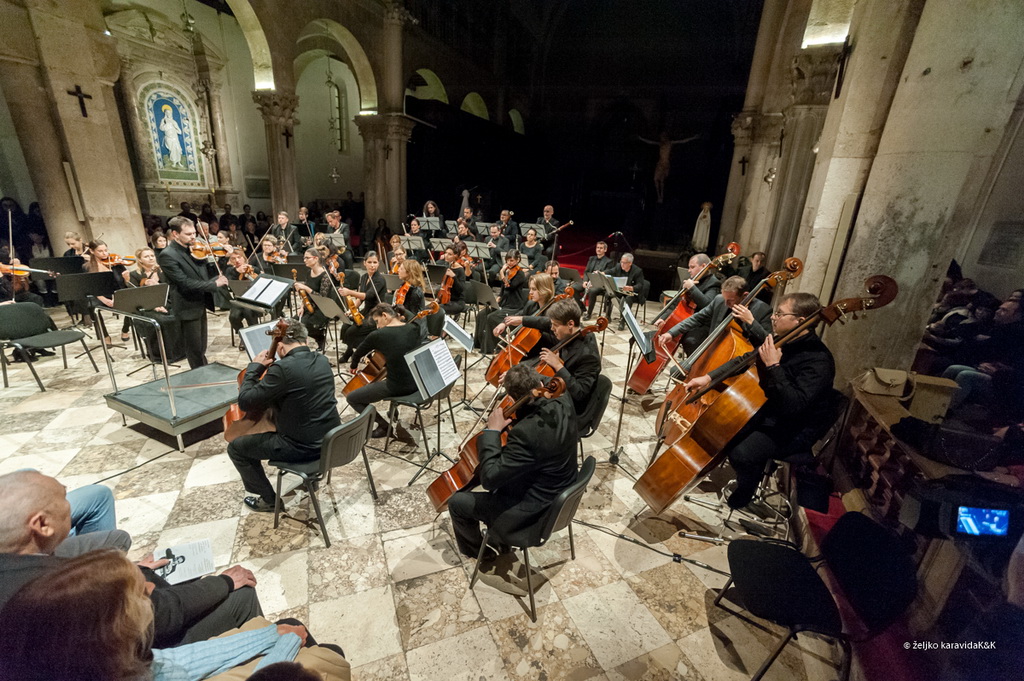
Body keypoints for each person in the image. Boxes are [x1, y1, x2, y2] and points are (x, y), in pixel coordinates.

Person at [0, 471, 262, 648]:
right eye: (63, 499)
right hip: (138, 656)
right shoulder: (68, 589)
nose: (69, 503)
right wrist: (225, 581)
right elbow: (165, 614)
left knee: (143, 566)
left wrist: (133, 573)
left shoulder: (17, 568)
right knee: (242, 595)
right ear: (42, 524)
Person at [0, 549, 347, 681]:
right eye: (140, 591)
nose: (152, 589)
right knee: (331, 656)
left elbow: (172, 663)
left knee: (293, 629)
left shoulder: (108, 661)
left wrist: (270, 636)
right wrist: (283, 651)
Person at [681, 292, 836, 509]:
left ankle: (748, 488)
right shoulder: (784, 340)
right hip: (771, 411)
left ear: (800, 321)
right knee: (725, 426)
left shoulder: (819, 361)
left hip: (795, 428)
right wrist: (707, 378)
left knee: (741, 452)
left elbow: (794, 407)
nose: (773, 318)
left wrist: (774, 367)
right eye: (774, 313)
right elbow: (745, 359)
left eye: (780, 314)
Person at [446, 364, 579, 561]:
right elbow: (545, 382)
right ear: (540, 384)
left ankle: (478, 552)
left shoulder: (526, 433)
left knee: (457, 502)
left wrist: (492, 432)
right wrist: (522, 376)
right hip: (560, 491)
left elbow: (489, 479)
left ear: (512, 396)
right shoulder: (563, 399)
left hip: (534, 512)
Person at [227, 318, 340, 512]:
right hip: (332, 439)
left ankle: (269, 500)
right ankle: (311, 480)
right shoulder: (322, 360)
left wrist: (255, 368)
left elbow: (245, 401)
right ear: (304, 340)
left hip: (303, 448)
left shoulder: (283, 369)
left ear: (280, 347)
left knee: (236, 448)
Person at [504, 298, 602, 415]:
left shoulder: (588, 357)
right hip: (555, 387)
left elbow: (579, 393)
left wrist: (558, 365)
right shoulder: (573, 330)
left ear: (570, 324)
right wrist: (522, 320)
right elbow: (544, 322)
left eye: (555, 325)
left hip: (568, 406)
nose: (551, 328)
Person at [656, 275, 772, 373]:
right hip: (710, 353)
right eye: (724, 298)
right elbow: (697, 318)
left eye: (730, 300)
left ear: (745, 296)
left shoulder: (762, 310)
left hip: (736, 365)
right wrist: (671, 333)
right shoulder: (719, 300)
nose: (726, 304)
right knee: (676, 371)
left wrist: (751, 322)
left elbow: (768, 342)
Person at [158, 217, 228, 368]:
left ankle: (204, 371)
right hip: (186, 307)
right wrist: (214, 284)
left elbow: (205, 273)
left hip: (199, 303)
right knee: (194, 349)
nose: (193, 237)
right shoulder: (167, 255)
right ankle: (200, 377)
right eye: (188, 234)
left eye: (194, 233)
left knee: (201, 347)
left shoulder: (194, 249)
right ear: (175, 234)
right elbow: (184, 283)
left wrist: (222, 258)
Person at [346, 303, 423, 438]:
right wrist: (400, 309)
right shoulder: (414, 328)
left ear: (385, 316)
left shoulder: (379, 335)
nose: (377, 326)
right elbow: (412, 316)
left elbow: (358, 353)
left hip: (398, 386)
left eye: (377, 321)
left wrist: (353, 365)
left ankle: (384, 427)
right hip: (419, 383)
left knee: (352, 398)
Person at [339, 251, 386, 362]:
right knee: (346, 324)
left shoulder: (379, 279)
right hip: (367, 310)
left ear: (378, 264)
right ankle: (350, 350)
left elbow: (367, 296)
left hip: (377, 314)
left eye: (375, 262)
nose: (372, 265)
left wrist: (349, 292)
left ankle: (356, 352)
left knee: (352, 331)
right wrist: (352, 309)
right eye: (369, 262)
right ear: (364, 263)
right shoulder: (364, 277)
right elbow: (360, 298)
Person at [293, 248, 341, 352]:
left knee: (303, 325)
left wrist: (306, 288)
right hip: (309, 306)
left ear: (315, 258)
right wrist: (302, 307)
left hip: (322, 309)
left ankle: (320, 337)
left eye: (307, 258)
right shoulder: (308, 272)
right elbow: (305, 294)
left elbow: (322, 298)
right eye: (304, 258)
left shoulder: (325, 276)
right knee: (293, 323)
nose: (304, 260)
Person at [604, 252, 646, 330]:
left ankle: (622, 321)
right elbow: (611, 271)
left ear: (630, 263)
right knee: (608, 293)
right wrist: (603, 273)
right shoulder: (618, 266)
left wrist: (631, 288)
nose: (622, 264)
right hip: (621, 290)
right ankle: (607, 316)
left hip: (632, 293)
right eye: (621, 262)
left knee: (627, 300)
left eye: (624, 263)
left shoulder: (637, 271)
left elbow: (640, 285)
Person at [582, 240, 615, 320]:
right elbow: (587, 271)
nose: (598, 249)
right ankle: (581, 309)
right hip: (589, 282)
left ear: (605, 250)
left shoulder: (609, 261)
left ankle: (589, 314)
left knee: (592, 291)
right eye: (597, 247)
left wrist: (597, 278)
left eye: (601, 248)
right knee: (575, 288)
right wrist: (585, 281)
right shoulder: (592, 258)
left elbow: (607, 275)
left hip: (600, 284)